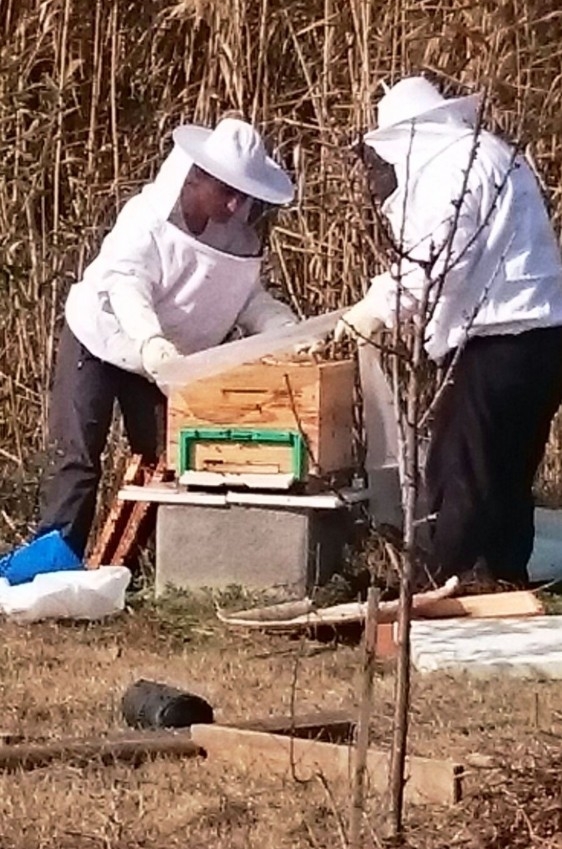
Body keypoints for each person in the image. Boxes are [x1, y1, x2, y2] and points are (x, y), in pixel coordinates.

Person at [31, 117, 298, 563]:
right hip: (102, 338)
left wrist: (280, 325)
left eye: (243, 196)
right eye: (226, 192)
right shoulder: (146, 220)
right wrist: (151, 340)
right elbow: (127, 284)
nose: (235, 205)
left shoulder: (234, 236)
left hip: (166, 360)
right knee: (78, 460)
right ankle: (54, 564)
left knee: (166, 458)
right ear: (195, 177)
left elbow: (243, 295)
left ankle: (134, 566)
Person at [336, 75, 562, 586]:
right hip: (544, 339)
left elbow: (436, 261)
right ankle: (503, 576)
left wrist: (377, 306)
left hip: (495, 339)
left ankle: (444, 584)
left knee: (460, 471)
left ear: (403, 137)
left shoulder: (447, 169)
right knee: (508, 472)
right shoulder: (496, 154)